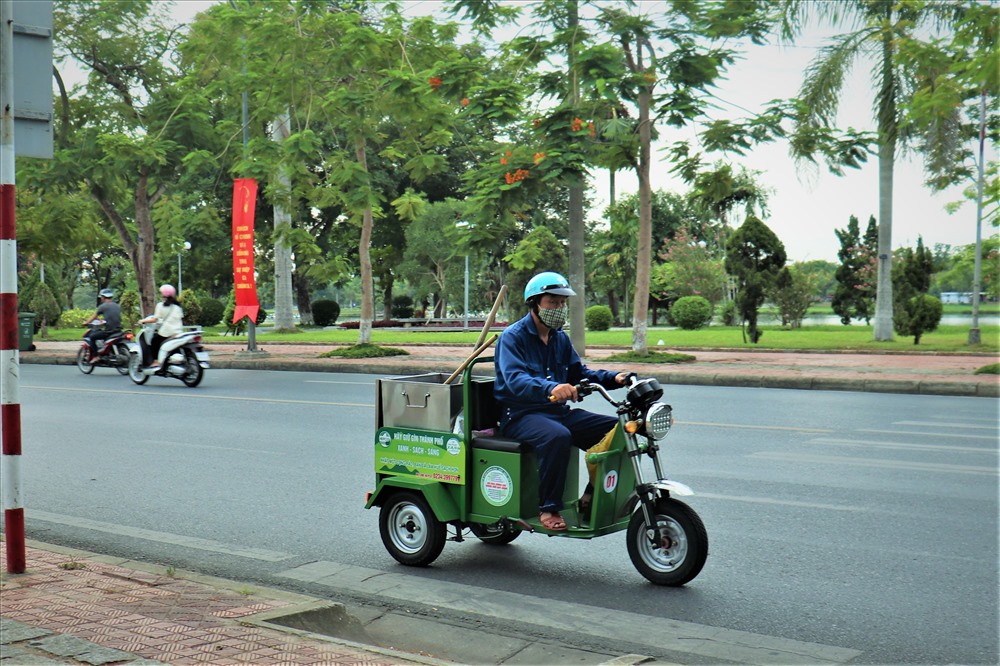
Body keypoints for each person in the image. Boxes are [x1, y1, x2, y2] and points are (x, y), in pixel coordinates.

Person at [493, 271, 628, 532]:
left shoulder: (560, 338)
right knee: (557, 436)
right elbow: (515, 379)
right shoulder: (512, 337)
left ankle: (591, 495)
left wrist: (617, 378)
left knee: (616, 431)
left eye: (562, 303)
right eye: (553, 302)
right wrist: (552, 386)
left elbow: (582, 374)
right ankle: (549, 507)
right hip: (520, 415)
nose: (559, 308)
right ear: (534, 303)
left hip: (556, 411)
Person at [140, 284, 184, 370]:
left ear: (164, 294)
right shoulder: (177, 306)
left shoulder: (161, 305)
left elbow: (154, 319)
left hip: (167, 332)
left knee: (154, 341)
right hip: (178, 332)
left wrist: (142, 321)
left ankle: (156, 361)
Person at [82, 289, 122, 361]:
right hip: (118, 330)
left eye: (101, 297)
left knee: (92, 337)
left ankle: (96, 356)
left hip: (109, 331)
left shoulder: (102, 306)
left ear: (103, 297)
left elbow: (93, 317)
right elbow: (112, 317)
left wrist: (86, 323)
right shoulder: (117, 306)